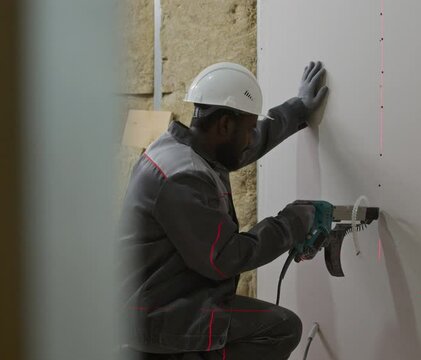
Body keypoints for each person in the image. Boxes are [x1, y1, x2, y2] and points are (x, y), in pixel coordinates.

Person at [119, 61, 329, 360]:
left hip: (162, 299)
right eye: (247, 129)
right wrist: (294, 222)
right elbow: (226, 258)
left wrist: (297, 110)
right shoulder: (182, 177)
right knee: (282, 328)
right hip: (156, 314)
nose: (249, 139)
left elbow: (252, 143)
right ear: (225, 126)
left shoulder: (189, 150)